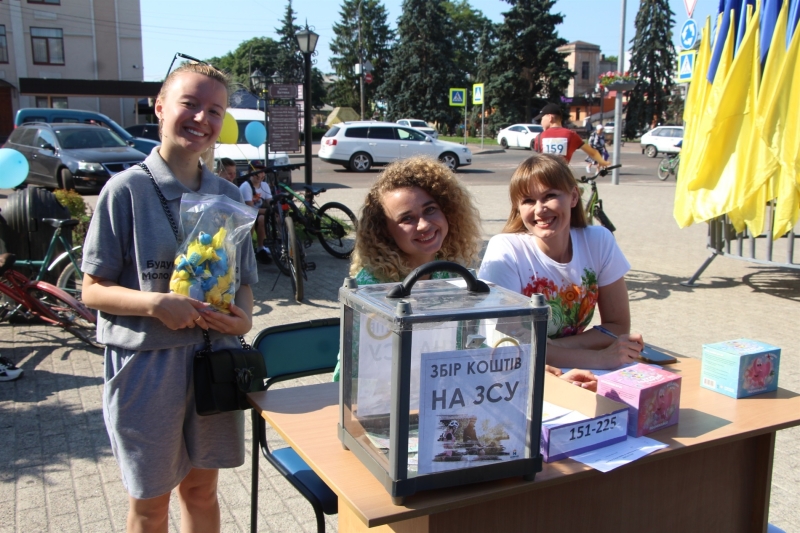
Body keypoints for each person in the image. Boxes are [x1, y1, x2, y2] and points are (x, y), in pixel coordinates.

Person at [81, 62, 258, 533]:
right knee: (151, 503)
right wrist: (156, 304)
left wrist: (242, 322)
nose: (202, 117)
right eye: (190, 103)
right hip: (146, 368)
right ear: (160, 107)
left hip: (213, 361)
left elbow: (243, 284)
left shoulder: (227, 196)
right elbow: (91, 289)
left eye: (214, 110)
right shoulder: (126, 190)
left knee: (202, 492)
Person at [333, 155, 597, 390]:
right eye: (407, 219)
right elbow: (361, 375)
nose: (424, 224)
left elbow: (466, 351)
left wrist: (533, 372)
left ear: (447, 211)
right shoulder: (372, 287)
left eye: (430, 210)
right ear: (385, 230)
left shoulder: (451, 275)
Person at [479, 154, 643, 371]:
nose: (539, 209)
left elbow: (617, 326)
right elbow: (508, 345)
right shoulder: (505, 250)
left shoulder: (599, 241)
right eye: (528, 200)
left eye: (550, 196)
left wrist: (558, 347)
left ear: (574, 196)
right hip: (515, 375)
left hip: (570, 369)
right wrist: (600, 359)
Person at [533, 103, 607, 167]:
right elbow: (592, 152)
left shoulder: (539, 137)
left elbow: (538, 161)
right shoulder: (571, 135)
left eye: (541, 119)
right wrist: (602, 162)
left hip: (545, 177)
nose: (541, 123)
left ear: (550, 118)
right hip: (563, 177)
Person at [238, 161, 273, 264]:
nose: (260, 175)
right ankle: (249, 250)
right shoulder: (246, 186)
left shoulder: (264, 185)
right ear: (250, 173)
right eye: (256, 172)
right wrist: (269, 211)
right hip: (245, 214)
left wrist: (275, 209)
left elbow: (270, 201)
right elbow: (250, 208)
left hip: (257, 213)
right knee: (260, 219)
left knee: (272, 217)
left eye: (262, 172)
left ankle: (262, 248)